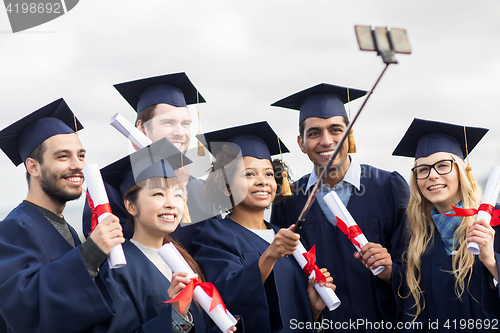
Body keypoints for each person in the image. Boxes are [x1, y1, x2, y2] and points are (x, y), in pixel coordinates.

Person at [270, 83, 410, 331]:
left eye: (336, 130)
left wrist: (392, 271)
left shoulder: (388, 187)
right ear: (301, 143)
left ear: (349, 134)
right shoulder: (289, 200)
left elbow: (417, 263)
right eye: (314, 133)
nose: (326, 141)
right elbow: (287, 278)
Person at [190, 121, 336, 333]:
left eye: (268, 174)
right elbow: (227, 298)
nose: (262, 181)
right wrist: (270, 255)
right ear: (226, 187)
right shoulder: (213, 234)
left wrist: (312, 309)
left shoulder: (287, 238)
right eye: (249, 174)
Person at [0, 99, 124, 333]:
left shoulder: (67, 229)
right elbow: (24, 310)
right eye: (63, 157)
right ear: (33, 167)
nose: (78, 166)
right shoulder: (12, 229)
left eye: (81, 155)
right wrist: (90, 253)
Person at [91, 137, 239, 333]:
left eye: (178, 195)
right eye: (158, 194)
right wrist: (176, 314)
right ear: (131, 206)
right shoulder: (118, 268)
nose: (171, 203)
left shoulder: (182, 260)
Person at [392, 118, 500, 332]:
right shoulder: (418, 241)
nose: (432, 175)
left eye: (443, 166)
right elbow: (414, 317)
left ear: (462, 171)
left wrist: (491, 260)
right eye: (422, 170)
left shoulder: (494, 221)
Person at [83, 72, 219, 239]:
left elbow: (215, 246)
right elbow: (116, 250)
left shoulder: (201, 190)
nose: (180, 133)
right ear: (141, 128)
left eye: (185, 124)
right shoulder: (108, 186)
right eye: (168, 122)